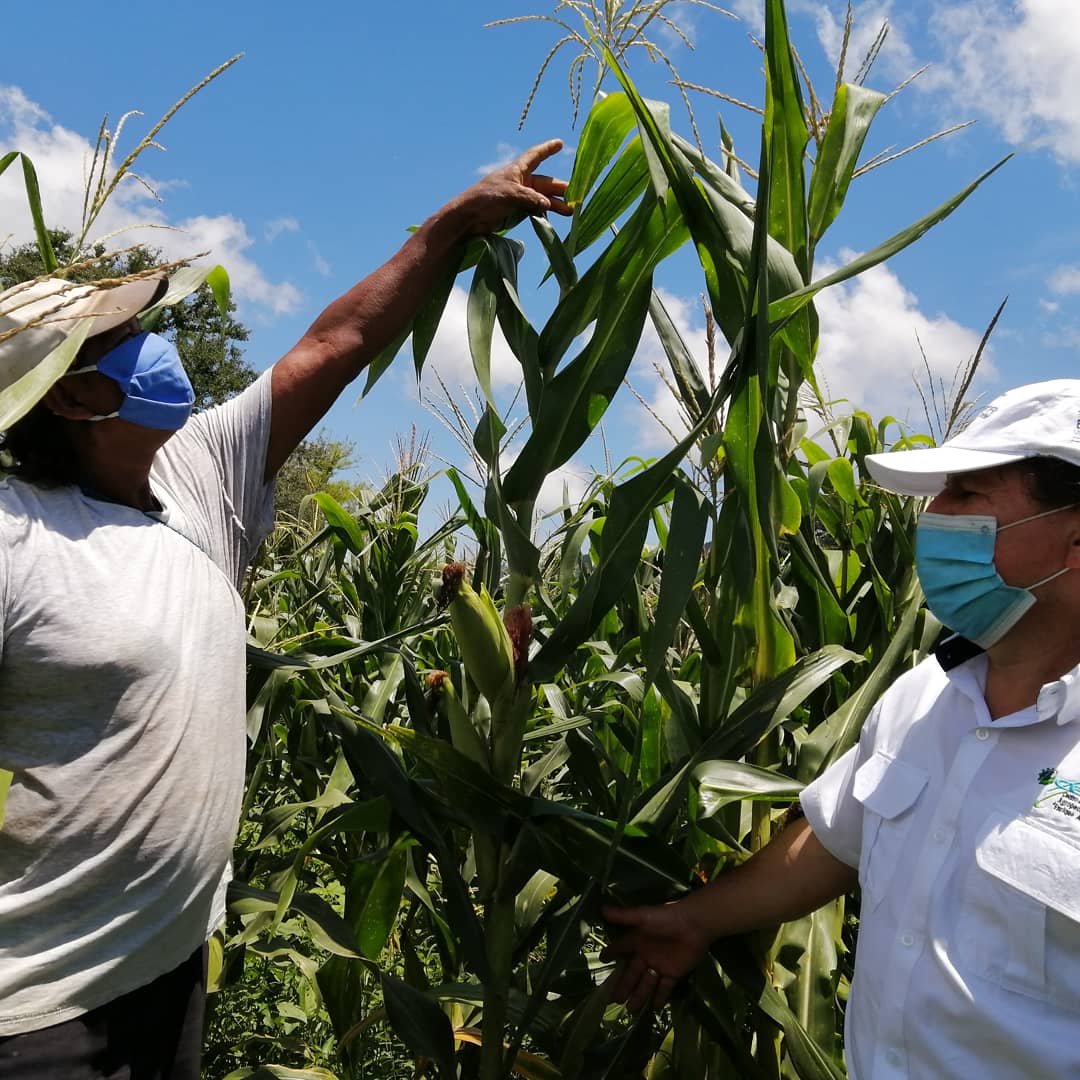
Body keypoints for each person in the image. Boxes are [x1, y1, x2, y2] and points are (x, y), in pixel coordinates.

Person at [0, 140, 570, 1079]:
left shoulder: (197, 482)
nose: (163, 349)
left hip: (165, 974)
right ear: (67, 395)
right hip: (39, 1015)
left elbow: (333, 346)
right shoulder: (20, 540)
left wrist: (456, 222)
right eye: (121, 344)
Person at [603, 380, 1080, 1079]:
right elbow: (835, 840)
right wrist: (697, 919)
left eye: (967, 497)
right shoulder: (923, 697)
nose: (933, 515)